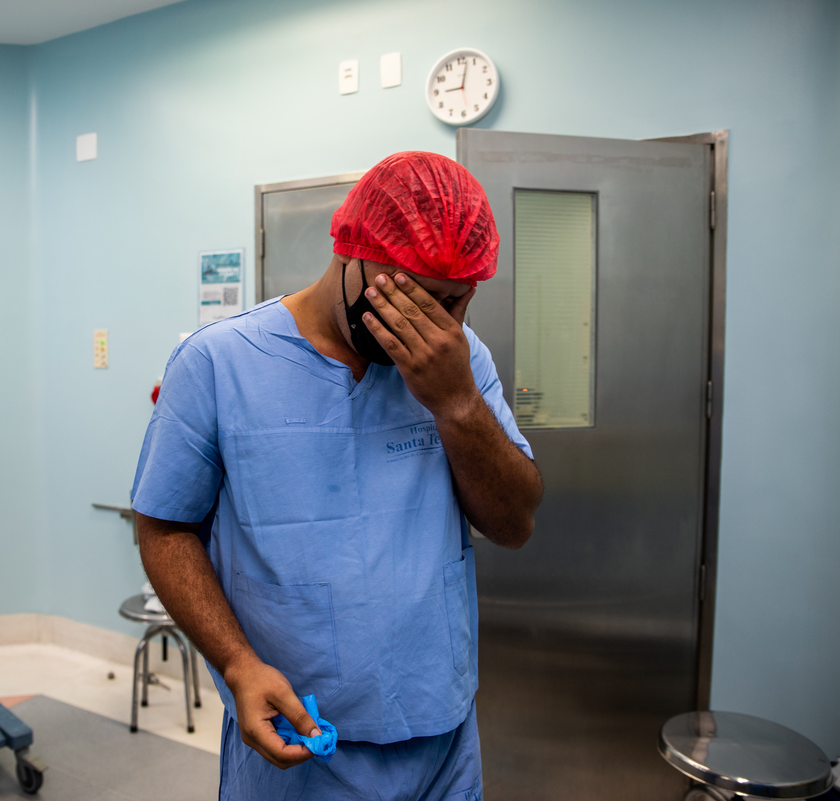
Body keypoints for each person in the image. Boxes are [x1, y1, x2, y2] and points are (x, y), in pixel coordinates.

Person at [132, 151, 543, 799]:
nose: (424, 324)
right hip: (299, 740)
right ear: (350, 251)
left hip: (441, 735)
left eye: (449, 303)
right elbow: (163, 527)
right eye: (403, 296)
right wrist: (236, 663)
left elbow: (514, 524)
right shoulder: (218, 363)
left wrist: (457, 403)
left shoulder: (460, 362)